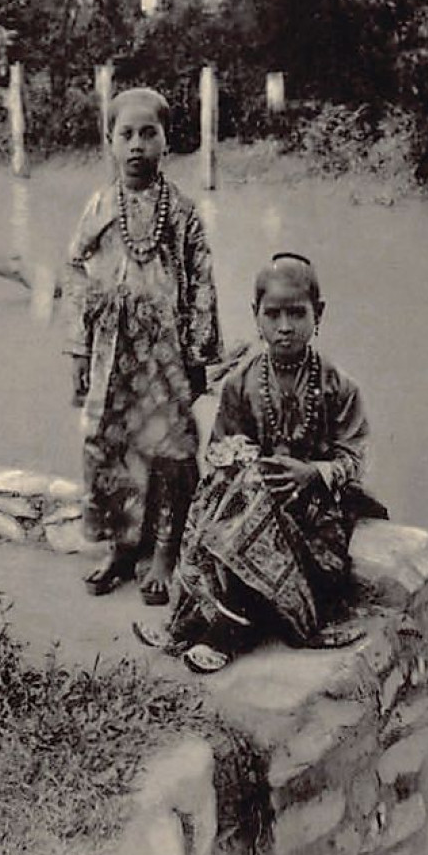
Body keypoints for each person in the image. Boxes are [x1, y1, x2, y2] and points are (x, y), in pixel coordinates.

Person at [133, 252, 387, 672]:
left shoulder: (338, 386)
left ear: (317, 314)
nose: (284, 326)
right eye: (273, 314)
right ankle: (188, 619)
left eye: (296, 314)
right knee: (220, 500)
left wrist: (313, 473)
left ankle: (226, 634)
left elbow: (355, 457)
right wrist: (239, 459)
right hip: (255, 505)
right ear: (256, 316)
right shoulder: (242, 383)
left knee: (254, 515)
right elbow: (220, 450)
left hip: (315, 518)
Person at [64, 87, 223, 604]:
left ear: (166, 142)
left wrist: (200, 356)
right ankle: (120, 546)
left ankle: (165, 551)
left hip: (165, 354)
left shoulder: (180, 212)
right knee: (109, 446)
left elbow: (201, 282)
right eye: (126, 134)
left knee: (170, 450)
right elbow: (77, 273)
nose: (137, 145)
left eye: (148, 133)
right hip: (112, 350)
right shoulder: (97, 206)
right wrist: (79, 351)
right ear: (109, 143)